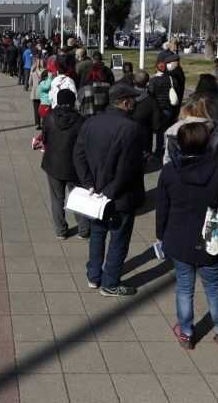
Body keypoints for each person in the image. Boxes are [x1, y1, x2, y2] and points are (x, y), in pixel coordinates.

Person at [156, 122, 218, 349]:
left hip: (178, 238)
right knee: (214, 289)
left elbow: (162, 207)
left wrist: (161, 234)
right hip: (211, 239)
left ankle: (186, 332)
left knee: (184, 288)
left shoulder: (169, 171)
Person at [73, 83, 145, 297]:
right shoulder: (132, 128)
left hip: (96, 194)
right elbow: (128, 168)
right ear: (125, 102)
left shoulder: (90, 123)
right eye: (133, 100)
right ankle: (110, 282)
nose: (134, 104)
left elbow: (78, 155)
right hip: (121, 196)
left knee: (97, 233)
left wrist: (89, 184)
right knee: (119, 239)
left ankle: (94, 276)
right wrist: (110, 191)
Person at [41, 89, 89, 240]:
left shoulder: (49, 118)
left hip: (53, 164)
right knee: (77, 197)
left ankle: (61, 231)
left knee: (57, 199)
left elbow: (45, 138)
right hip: (74, 166)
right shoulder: (81, 120)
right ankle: (84, 229)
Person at [131, 70, 162, 161]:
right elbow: (156, 124)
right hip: (144, 137)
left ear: (134, 81)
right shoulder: (152, 101)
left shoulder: (125, 97)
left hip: (127, 136)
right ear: (147, 83)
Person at [29, 55, 45, 129]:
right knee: (43, 108)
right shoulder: (45, 71)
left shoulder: (33, 71)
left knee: (36, 109)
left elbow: (30, 83)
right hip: (43, 92)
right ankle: (44, 122)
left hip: (35, 92)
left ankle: (37, 123)